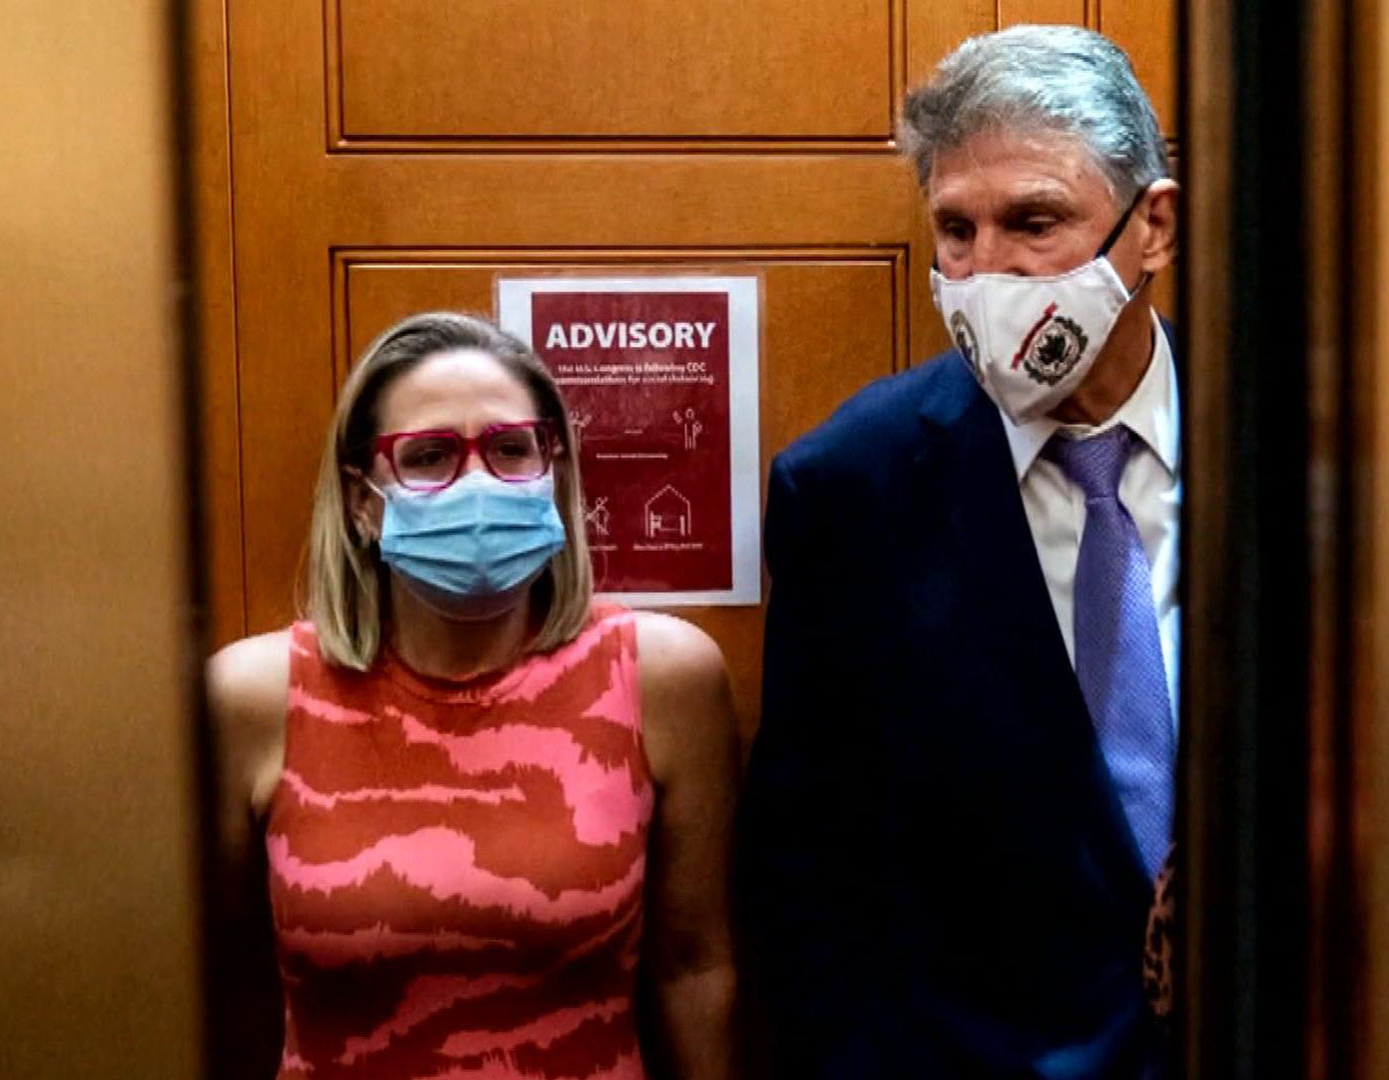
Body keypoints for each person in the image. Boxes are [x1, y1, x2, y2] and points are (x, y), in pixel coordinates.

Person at [739, 25, 1181, 1080]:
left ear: (1152, 227)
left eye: (1035, 221)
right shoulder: (852, 485)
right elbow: (808, 865)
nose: (987, 272)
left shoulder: (1306, 445)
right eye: (955, 230)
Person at [207, 312, 740, 1080]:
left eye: (510, 449)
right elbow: (214, 985)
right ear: (362, 501)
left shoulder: (661, 678)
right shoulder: (252, 698)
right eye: (429, 457)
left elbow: (694, 969)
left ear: (554, 472)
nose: (479, 483)